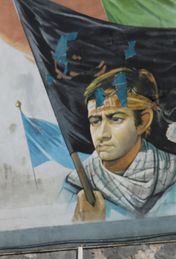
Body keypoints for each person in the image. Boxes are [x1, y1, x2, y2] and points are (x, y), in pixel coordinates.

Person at [66, 67, 176, 221]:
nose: (102, 134)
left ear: (143, 122)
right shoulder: (75, 188)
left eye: (116, 119)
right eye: (95, 121)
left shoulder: (172, 174)